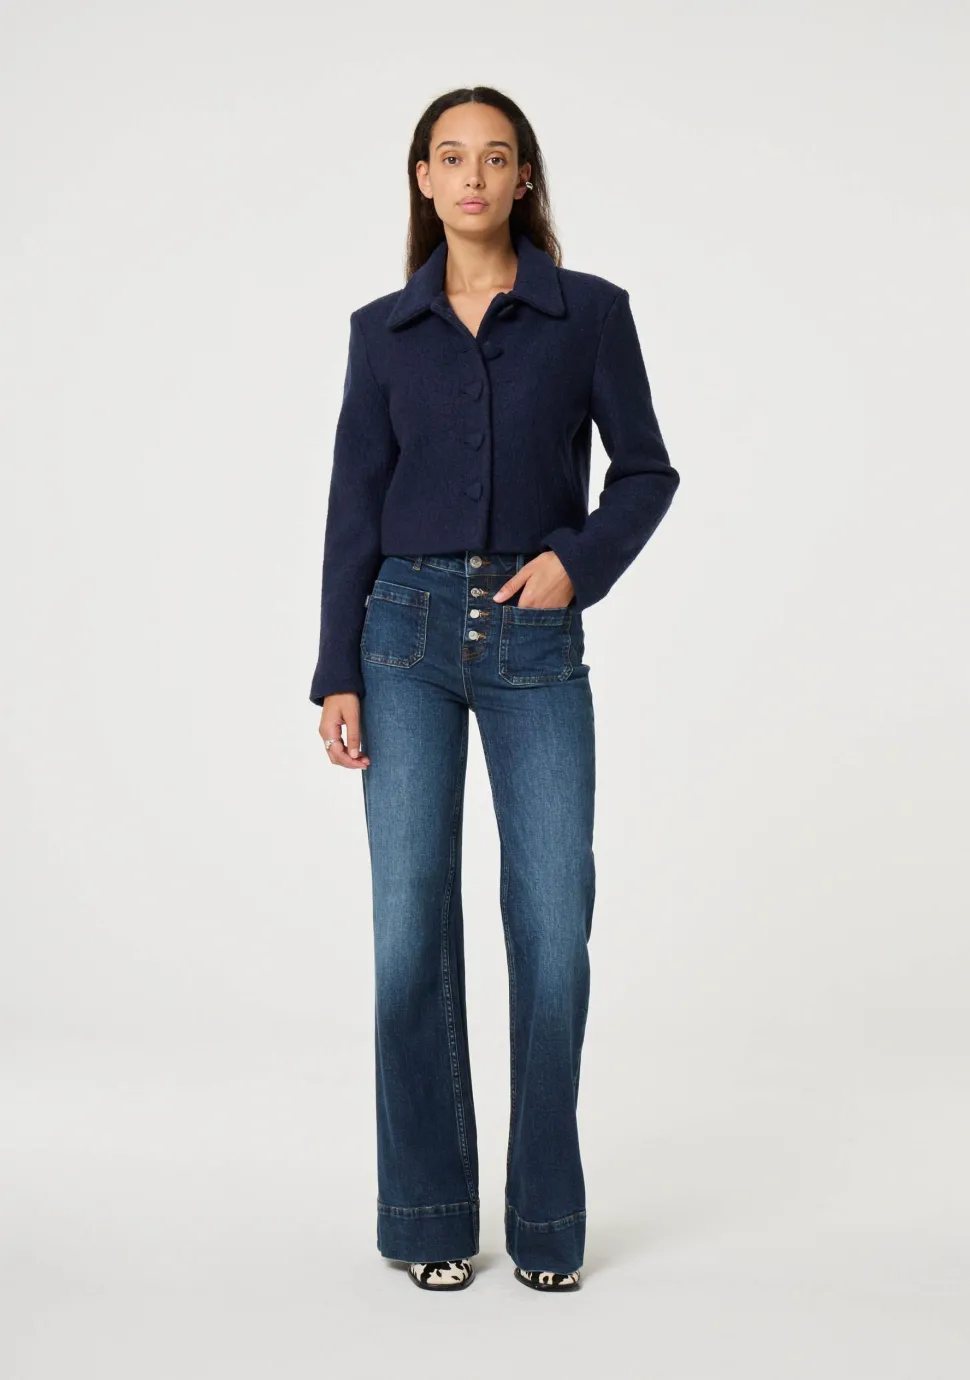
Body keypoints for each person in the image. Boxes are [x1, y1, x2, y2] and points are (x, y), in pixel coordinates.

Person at [309, 85, 680, 1293]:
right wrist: (335, 671)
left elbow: (645, 471)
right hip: (400, 638)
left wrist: (577, 562)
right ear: (423, 179)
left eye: (496, 156)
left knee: (553, 929)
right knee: (408, 931)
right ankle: (428, 1214)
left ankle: (546, 1223)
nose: (472, 176)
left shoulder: (589, 314)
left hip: (534, 641)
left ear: (524, 178)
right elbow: (353, 502)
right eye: (450, 156)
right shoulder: (382, 331)